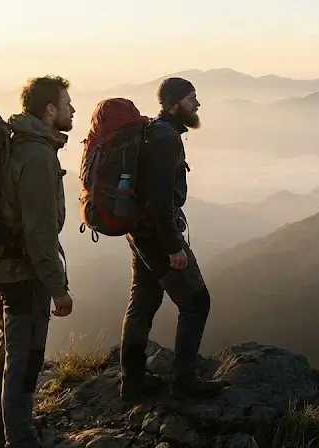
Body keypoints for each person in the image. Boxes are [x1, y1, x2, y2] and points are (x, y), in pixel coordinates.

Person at [118, 77, 227, 402]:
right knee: (196, 303)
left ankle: (133, 379)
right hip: (156, 236)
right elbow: (160, 202)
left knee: (144, 300)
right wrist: (174, 248)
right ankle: (183, 382)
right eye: (193, 98)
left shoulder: (153, 132)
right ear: (176, 103)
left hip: (138, 232)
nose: (197, 104)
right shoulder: (166, 140)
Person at [0, 75, 76, 447]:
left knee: (9, 353)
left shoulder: (20, 144)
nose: (73, 110)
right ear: (49, 110)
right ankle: (20, 439)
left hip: (6, 268)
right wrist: (59, 289)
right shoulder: (36, 156)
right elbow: (40, 233)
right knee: (23, 364)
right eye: (67, 103)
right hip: (25, 276)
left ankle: (3, 432)